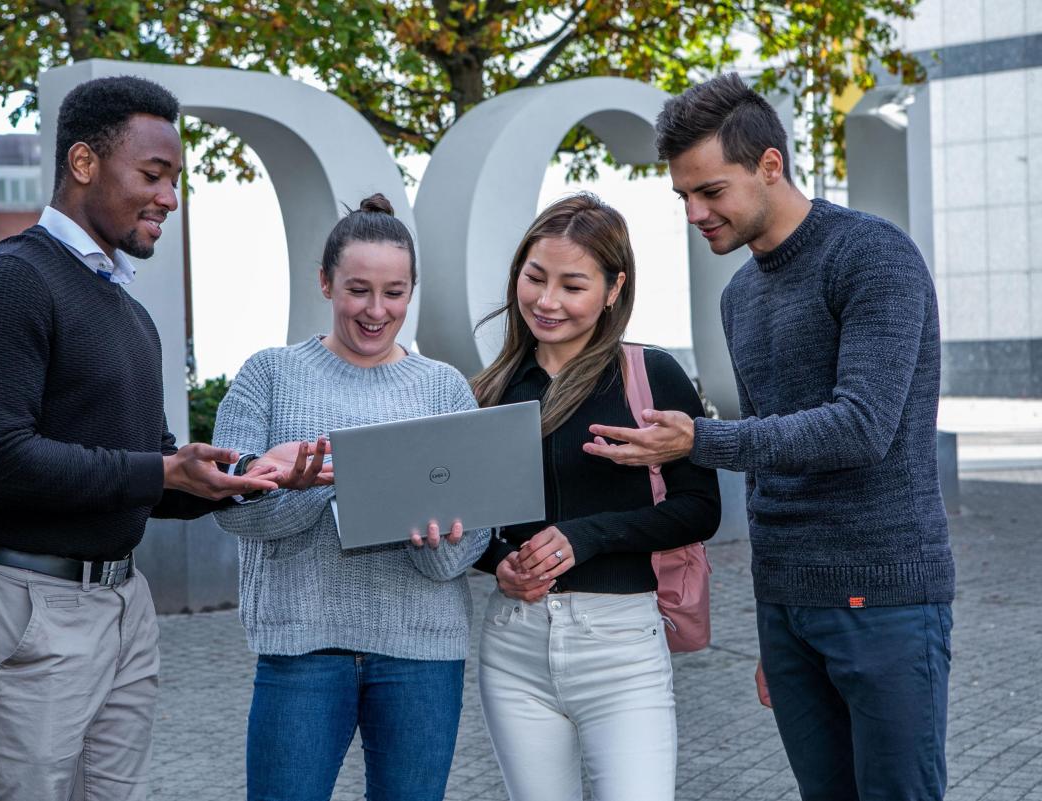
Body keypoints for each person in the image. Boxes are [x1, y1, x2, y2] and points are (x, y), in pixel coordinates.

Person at [0, 75, 323, 801]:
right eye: (153, 174)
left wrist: (241, 474)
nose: (170, 197)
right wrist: (163, 471)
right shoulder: (9, 283)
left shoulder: (126, 310)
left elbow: (150, 463)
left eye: (174, 178)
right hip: (22, 604)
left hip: (121, 603)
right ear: (83, 163)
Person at [584, 74, 954, 801]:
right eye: (682, 196)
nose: (694, 212)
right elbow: (767, 469)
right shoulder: (739, 294)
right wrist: (774, 626)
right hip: (792, 611)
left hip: (884, 602)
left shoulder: (873, 257)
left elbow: (860, 427)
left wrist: (699, 440)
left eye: (711, 191)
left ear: (770, 165)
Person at [212, 194, 491, 801]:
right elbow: (231, 512)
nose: (376, 310)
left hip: (421, 652)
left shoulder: (444, 387)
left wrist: (435, 540)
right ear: (323, 281)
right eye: (357, 289)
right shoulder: (269, 374)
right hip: (301, 650)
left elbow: (465, 542)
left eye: (394, 292)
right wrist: (310, 489)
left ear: (412, 291)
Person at [469, 193, 721, 801]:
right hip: (512, 648)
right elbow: (470, 520)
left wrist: (588, 536)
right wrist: (496, 560)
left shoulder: (650, 375)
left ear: (614, 289)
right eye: (534, 278)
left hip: (622, 653)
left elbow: (699, 508)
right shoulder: (485, 392)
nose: (547, 301)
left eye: (573, 285)